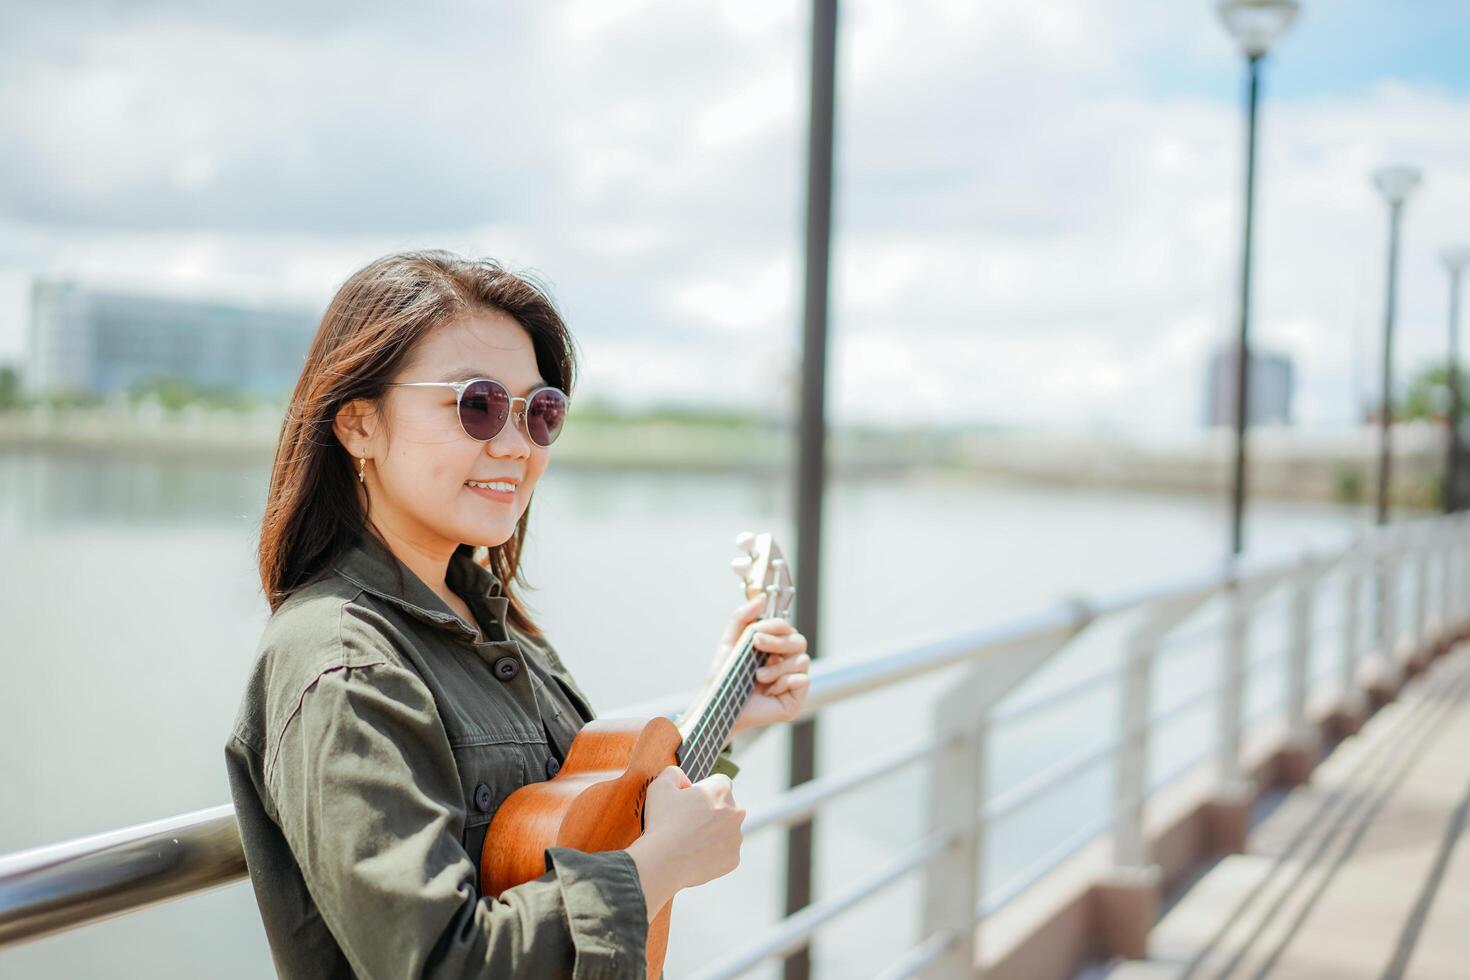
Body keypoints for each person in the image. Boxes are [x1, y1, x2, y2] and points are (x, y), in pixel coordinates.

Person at [224, 250, 810, 979]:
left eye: (540, 412)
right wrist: (655, 869)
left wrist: (729, 714)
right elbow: (439, 961)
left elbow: (584, 819)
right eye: (477, 404)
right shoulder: (340, 663)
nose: (514, 445)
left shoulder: (494, 623)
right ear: (359, 425)